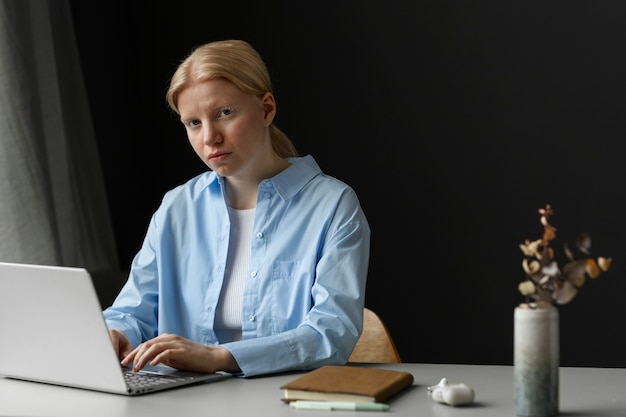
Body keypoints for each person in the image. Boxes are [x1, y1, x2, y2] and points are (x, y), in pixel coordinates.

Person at [103, 39, 371, 378]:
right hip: (181, 401)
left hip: (283, 399)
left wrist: (218, 357)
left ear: (267, 109)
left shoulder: (333, 206)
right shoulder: (177, 207)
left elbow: (330, 335)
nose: (209, 137)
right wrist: (114, 333)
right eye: (193, 123)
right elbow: (133, 309)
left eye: (224, 113)